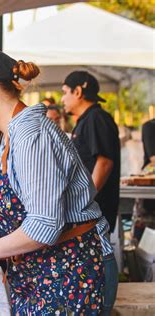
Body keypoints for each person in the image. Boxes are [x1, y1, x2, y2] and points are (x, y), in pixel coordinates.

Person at [0, 50, 115, 315]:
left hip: (73, 272)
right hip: (43, 274)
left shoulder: (32, 136)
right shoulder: (8, 137)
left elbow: (44, 224)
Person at [61, 71, 120, 235]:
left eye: (65, 92)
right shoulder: (86, 120)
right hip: (86, 214)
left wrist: (83, 201)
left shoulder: (96, 118)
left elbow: (105, 162)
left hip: (93, 215)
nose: (62, 98)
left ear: (78, 92)